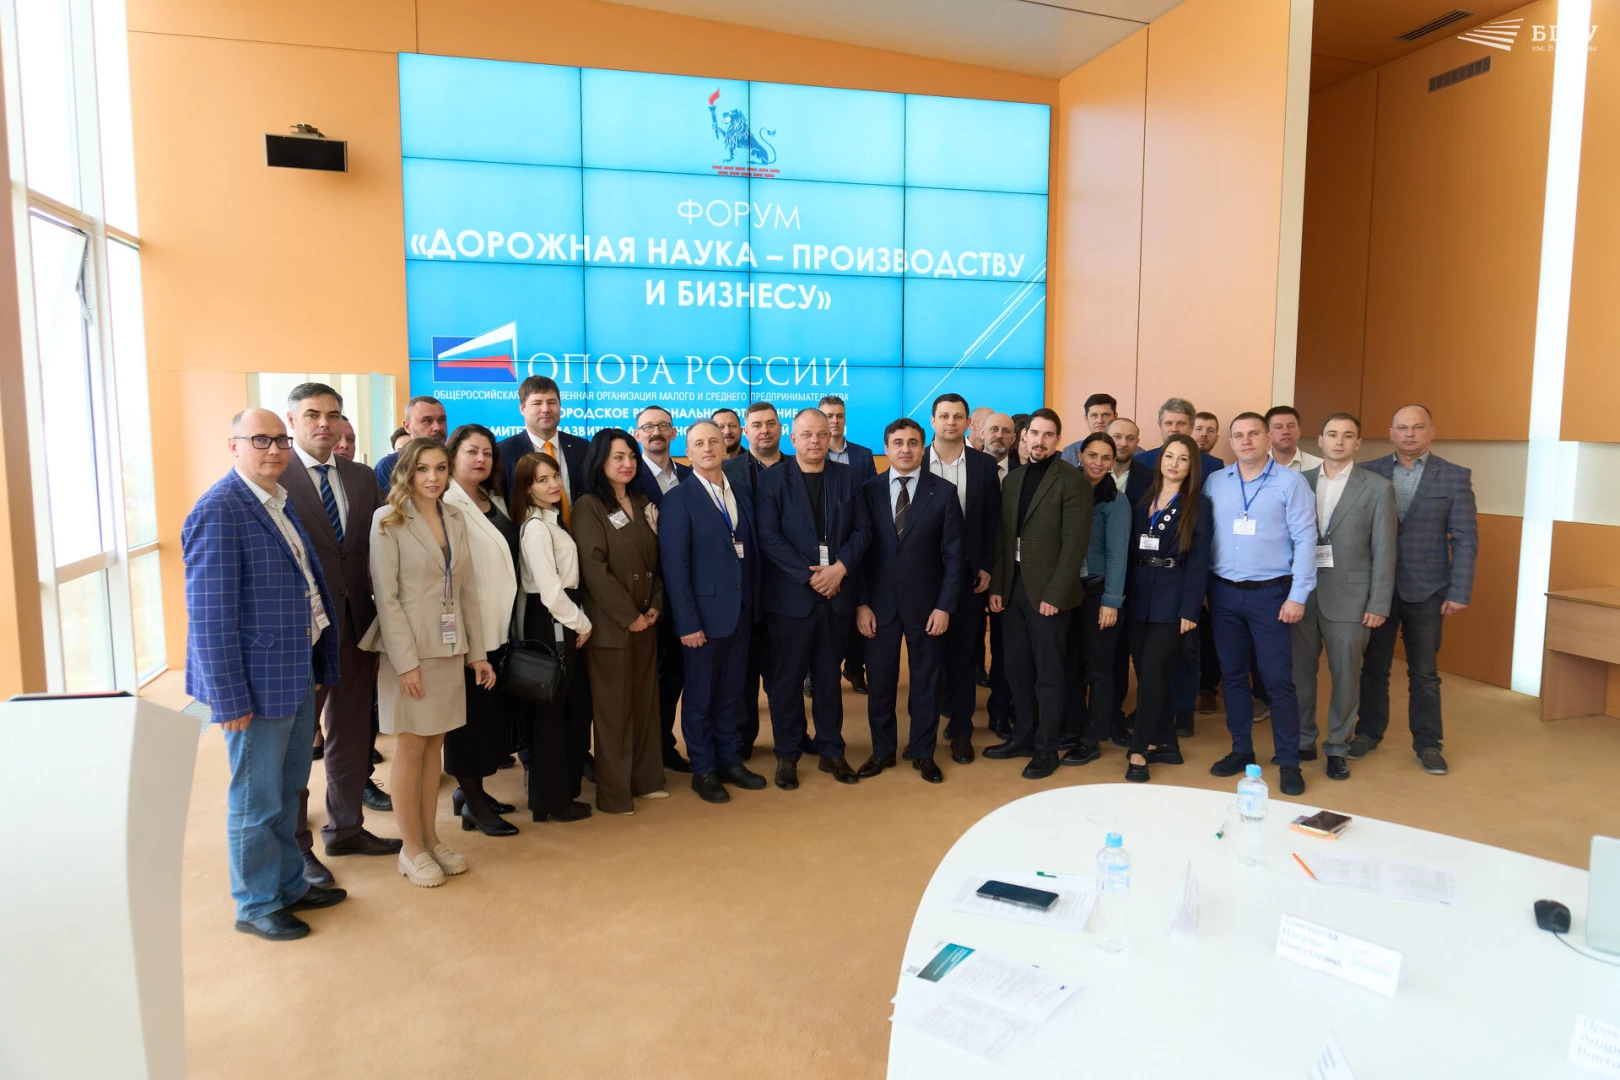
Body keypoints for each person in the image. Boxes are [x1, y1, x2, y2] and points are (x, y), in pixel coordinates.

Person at [184, 409, 346, 940]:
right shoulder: (219, 510)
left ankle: (288, 884)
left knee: (288, 789)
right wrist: (228, 699)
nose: (274, 449)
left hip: (294, 670)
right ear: (233, 445)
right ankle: (255, 904)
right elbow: (209, 617)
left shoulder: (278, 499)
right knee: (255, 802)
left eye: (280, 439)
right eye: (260, 439)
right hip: (253, 686)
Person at [281, 384, 397, 892]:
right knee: (296, 745)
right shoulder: (276, 475)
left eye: (332, 414)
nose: (324, 424)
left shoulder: (360, 477)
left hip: (356, 629)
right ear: (292, 421)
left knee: (351, 732)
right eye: (312, 415)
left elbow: (375, 548)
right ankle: (296, 848)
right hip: (302, 633)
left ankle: (346, 828)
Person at [361, 438, 493, 887]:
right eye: (422, 469)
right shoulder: (388, 520)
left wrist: (477, 653)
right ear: (406, 472)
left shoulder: (454, 517)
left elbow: (467, 590)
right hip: (410, 652)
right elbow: (387, 599)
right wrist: (406, 664)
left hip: (449, 648)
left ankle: (431, 839)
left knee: (434, 746)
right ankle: (410, 848)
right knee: (412, 748)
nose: (433, 477)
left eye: (440, 468)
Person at [1351, 404, 1477, 775]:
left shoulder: (1454, 476)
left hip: (1428, 590)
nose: (1409, 434)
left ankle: (1428, 744)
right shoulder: (1367, 472)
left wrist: (1459, 591)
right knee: (1373, 669)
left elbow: (1466, 538)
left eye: (1417, 427)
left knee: (1424, 674)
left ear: (1431, 431)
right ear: (1390, 432)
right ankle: (1368, 732)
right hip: (1378, 590)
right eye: (1402, 427)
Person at [755, 407, 871, 790]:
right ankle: (787, 754)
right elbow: (769, 537)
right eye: (806, 435)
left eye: (822, 434)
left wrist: (839, 569)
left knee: (827, 679)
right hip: (790, 599)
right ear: (793, 439)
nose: (815, 441)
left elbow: (863, 531)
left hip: (836, 596)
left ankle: (831, 751)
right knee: (787, 682)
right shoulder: (772, 481)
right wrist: (811, 577)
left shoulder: (848, 477)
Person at [1204, 413, 1317, 797]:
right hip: (1223, 593)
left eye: (1254, 433)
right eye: (1238, 435)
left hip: (1272, 594)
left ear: (1268, 438)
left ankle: (1288, 761)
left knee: (1277, 680)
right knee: (1233, 677)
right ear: (1231, 442)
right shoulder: (1216, 482)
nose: (1246, 440)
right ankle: (1241, 750)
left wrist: (1298, 595)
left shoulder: (1291, 482)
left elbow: (1306, 539)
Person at [658, 421, 765, 803]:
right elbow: (675, 567)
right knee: (701, 698)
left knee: (732, 694)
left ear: (725, 446)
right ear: (688, 451)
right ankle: (703, 769)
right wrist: (687, 622)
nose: (708, 448)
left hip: (740, 614)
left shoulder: (740, 491)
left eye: (714, 441)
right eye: (699, 443)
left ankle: (729, 761)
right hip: (702, 620)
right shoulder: (678, 499)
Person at [985, 409, 1092, 780]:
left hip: (1049, 595)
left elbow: (1074, 544)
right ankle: (1023, 736)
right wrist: (998, 587)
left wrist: (1055, 594)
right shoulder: (1013, 479)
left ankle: (1047, 749)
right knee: (1016, 669)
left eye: (1049, 435)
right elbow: (1003, 537)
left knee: (1048, 675)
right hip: (1013, 588)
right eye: (1034, 433)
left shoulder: (1072, 480)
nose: (1040, 441)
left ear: (1057, 440)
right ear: (1024, 436)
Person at [854, 418, 961, 783]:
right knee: (880, 684)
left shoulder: (943, 492)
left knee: (927, 684)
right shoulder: (867, 491)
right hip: (878, 607)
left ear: (922, 447)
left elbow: (954, 556)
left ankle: (923, 752)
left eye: (912, 442)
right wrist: (862, 604)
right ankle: (882, 751)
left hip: (928, 607)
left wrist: (944, 606)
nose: (905, 449)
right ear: (886, 448)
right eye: (897, 442)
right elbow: (859, 555)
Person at [1290, 414, 1395, 781]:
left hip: (1352, 598)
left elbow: (1385, 551)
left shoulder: (1378, 487)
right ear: (1319, 440)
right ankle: (1303, 739)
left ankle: (1337, 747)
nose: (1339, 441)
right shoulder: (1298, 481)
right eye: (1332, 434)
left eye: (1348, 436)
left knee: (1346, 677)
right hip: (1301, 595)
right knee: (1300, 673)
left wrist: (1378, 603)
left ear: (1358, 443)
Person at [572, 428, 667, 814]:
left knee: (645, 705)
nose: (627, 463)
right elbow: (594, 570)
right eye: (618, 457)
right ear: (600, 462)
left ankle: (647, 780)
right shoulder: (589, 506)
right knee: (613, 713)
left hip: (647, 621)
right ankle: (614, 794)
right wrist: (629, 617)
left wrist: (655, 605)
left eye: (631, 456)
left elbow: (658, 560)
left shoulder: (644, 502)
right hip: (612, 626)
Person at [440, 424, 522, 836]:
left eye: (487, 453)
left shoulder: (493, 498)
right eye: (471, 451)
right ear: (452, 456)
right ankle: (472, 800)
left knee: (488, 720)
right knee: (467, 723)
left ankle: (473, 793)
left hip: (499, 627)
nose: (481, 459)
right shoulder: (445, 502)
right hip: (469, 630)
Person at [509, 451, 593, 822]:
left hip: (561, 617)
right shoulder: (536, 528)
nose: (553, 484)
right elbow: (550, 591)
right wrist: (582, 623)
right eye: (542, 480)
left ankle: (557, 796)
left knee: (568, 711)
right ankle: (551, 801)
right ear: (527, 488)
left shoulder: (552, 521)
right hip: (553, 622)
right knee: (552, 716)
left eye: (555, 476)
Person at [1122, 434, 1212, 783]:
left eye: (1183, 459)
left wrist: (1190, 609)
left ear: (1192, 466)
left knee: (1155, 673)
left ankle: (1139, 749)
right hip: (1138, 592)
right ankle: (1168, 743)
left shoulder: (1198, 504)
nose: (1174, 464)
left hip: (1173, 596)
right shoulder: (1142, 495)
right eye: (1169, 456)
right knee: (1147, 673)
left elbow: (1200, 561)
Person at [922, 393, 999, 764]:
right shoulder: (915, 460)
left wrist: (987, 565)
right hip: (923, 575)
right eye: (944, 416)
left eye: (957, 417)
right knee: (927, 657)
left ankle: (961, 730)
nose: (950, 422)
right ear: (933, 421)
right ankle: (923, 731)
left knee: (964, 655)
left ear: (969, 423)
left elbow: (993, 520)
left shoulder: (985, 465)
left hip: (969, 576)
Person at [1059, 432, 1130, 766]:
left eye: (1106, 458)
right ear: (1080, 455)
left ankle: (1093, 737)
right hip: (1067, 590)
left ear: (1113, 462)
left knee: (1099, 669)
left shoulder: (1116, 501)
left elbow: (1118, 554)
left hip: (1098, 592)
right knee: (1069, 664)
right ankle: (1073, 727)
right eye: (1092, 455)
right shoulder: (1067, 490)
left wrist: (1111, 601)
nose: (1098, 463)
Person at [723, 401, 787, 758]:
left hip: (788, 589)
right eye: (757, 425)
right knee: (743, 673)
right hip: (742, 591)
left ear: (781, 428)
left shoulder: (798, 467)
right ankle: (743, 739)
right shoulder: (726, 471)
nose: (765, 430)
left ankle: (790, 738)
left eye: (771, 423)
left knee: (784, 673)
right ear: (746, 432)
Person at [634, 404, 694, 773]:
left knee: (675, 677)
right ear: (637, 434)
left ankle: (665, 745)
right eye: (648, 426)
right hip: (647, 596)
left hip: (687, 594)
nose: (656, 431)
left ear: (674, 433)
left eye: (663, 425)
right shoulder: (628, 476)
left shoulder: (690, 475)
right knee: (648, 679)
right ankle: (647, 751)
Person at [821, 394, 875, 694]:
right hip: (820, 549)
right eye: (828, 415)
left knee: (858, 608)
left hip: (855, 544)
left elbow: (870, 497)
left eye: (839, 415)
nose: (834, 420)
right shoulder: (806, 453)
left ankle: (855, 669)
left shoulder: (863, 455)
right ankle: (814, 674)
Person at [978, 410, 1018, 731]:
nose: (999, 436)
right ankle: (957, 709)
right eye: (994, 429)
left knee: (1005, 646)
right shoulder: (970, 467)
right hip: (970, 570)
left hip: (1008, 572)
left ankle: (1001, 709)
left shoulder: (1022, 472)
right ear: (981, 433)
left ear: (1014, 438)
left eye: (1006, 431)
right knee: (964, 644)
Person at [497, 375, 590, 508]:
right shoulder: (503, 452)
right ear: (522, 409)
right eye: (537, 403)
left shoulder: (583, 448)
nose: (546, 409)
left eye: (552, 402)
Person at [1137, 398, 1224, 479]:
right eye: (1168, 423)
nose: (1174, 429)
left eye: (1181, 423)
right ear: (1160, 426)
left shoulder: (1213, 465)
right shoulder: (1140, 461)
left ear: (1192, 427)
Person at [372, 396, 447, 489]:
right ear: (407, 426)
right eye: (427, 421)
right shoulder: (389, 466)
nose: (437, 427)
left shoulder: (456, 461)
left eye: (441, 420)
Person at [1060, 393, 1119, 463]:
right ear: (1086, 419)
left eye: (1105, 415)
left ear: (1115, 417)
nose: (1100, 421)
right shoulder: (1070, 452)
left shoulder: (1126, 450)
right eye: (1094, 415)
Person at [1267, 406, 1323, 471]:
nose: (1286, 431)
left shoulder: (1319, 466)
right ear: (1267, 433)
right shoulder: (1258, 465)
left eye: (1291, 426)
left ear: (1299, 430)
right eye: (1278, 427)